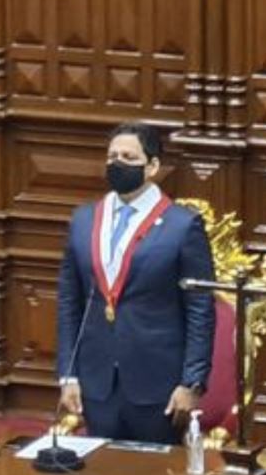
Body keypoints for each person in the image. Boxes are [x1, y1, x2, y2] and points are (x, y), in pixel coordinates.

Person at [57, 123, 216, 443]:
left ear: (152, 166)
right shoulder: (85, 220)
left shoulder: (182, 226)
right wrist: (68, 374)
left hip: (158, 383)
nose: (117, 163)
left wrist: (192, 383)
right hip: (97, 381)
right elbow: (69, 300)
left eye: (128, 157)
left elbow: (200, 308)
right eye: (112, 156)